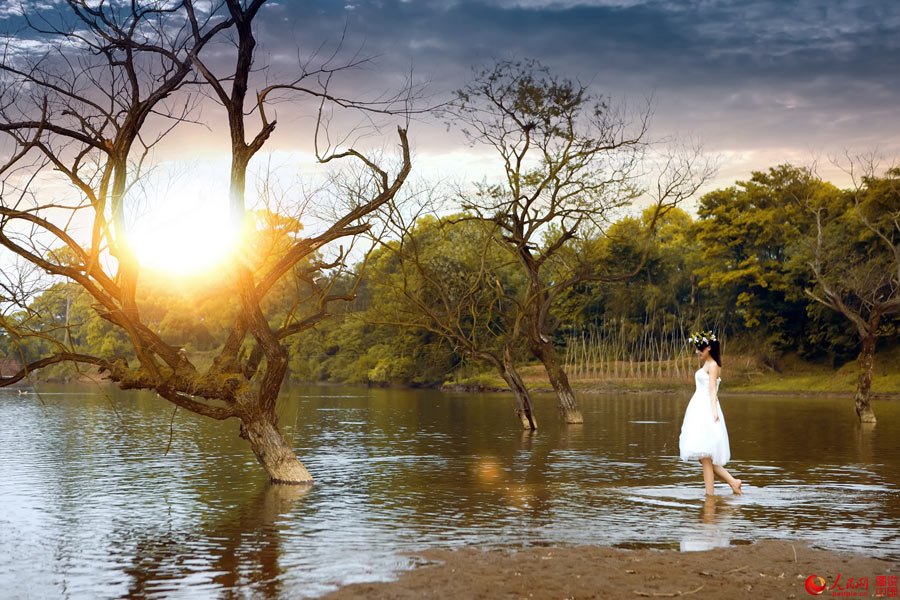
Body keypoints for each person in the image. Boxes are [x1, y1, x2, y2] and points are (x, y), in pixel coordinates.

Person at [678, 331, 742, 495]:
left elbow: (713, 390)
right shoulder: (706, 364)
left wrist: (714, 412)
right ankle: (733, 482)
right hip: (698, 407)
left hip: (706, 408)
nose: (697, 352)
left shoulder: (713, 366)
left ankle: (710, 495)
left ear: (708, 348)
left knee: (705, 457)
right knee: (702, 457)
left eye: (699, 349)